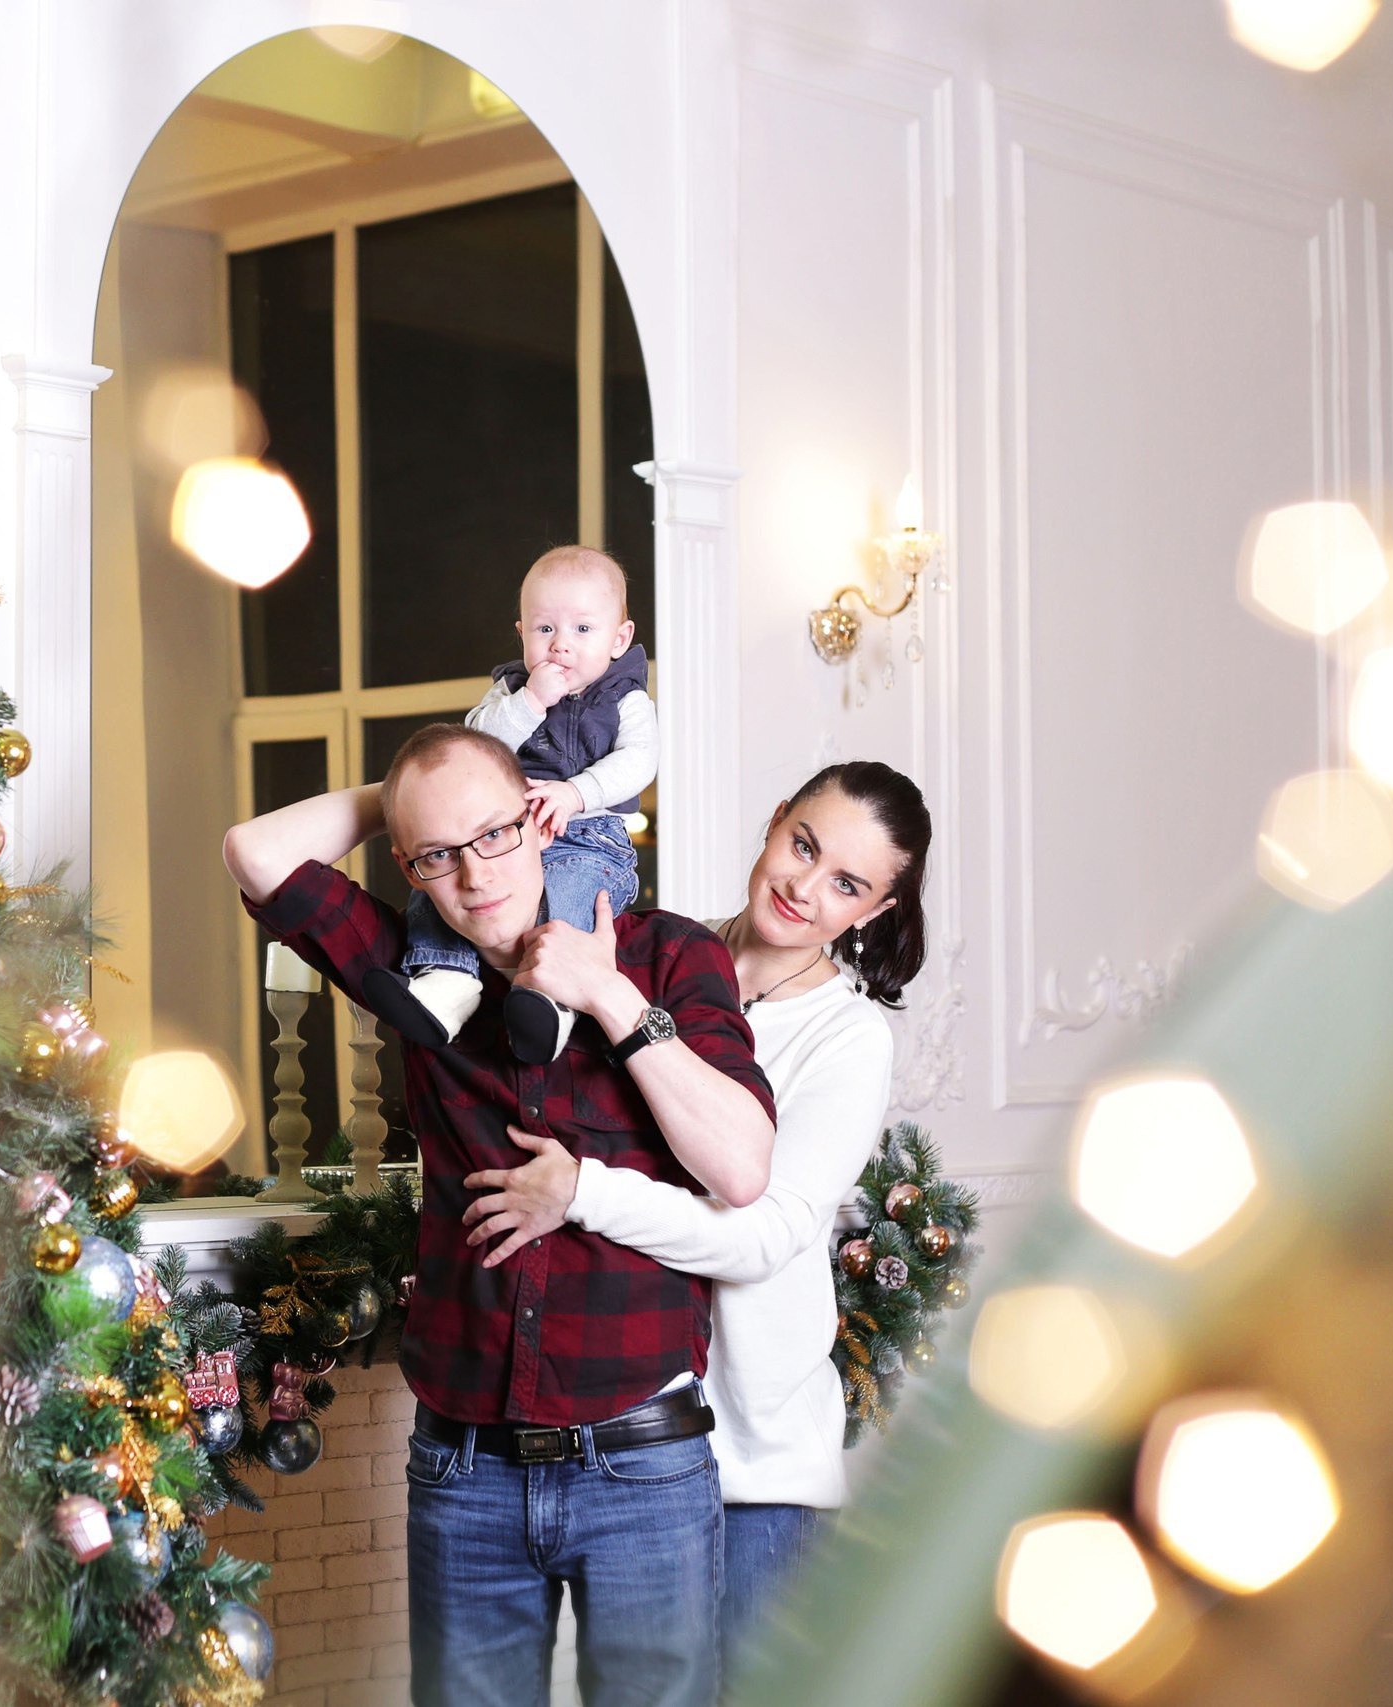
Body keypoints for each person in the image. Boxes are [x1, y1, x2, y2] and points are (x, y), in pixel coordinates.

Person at [221, 725, 776, 1707]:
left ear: (537, 816)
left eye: (492, 834)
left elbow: (738, 1166)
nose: (474, 877)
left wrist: (603, 993)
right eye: (436, 855)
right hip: (464, 1467)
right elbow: (256, 852)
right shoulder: (416, 976)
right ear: (408, 865)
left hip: (641, 1461)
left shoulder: (664, 952)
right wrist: (405, 798)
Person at [457, 760, 931, 1670]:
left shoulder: (848, 1036)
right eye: (804, 844)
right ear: (775, 816)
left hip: (756, 1469)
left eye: (847, 884)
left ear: (870, 911)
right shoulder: (652, 951)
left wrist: (582, 1190)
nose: (803, 885)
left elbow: (758, 1238)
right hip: (625, 1440)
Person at [359, 545, 657, 1065]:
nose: (561, 646)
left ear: (619, 638)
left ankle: (551, 1000)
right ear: (522, 634)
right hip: (502, 831)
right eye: (545, 630)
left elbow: (639, 762)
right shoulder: (511, 690)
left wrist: (576, 792)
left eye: (583, 630)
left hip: (588, 832)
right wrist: (530, 703)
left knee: (573, 890)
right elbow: (477, 744)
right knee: (445, 878)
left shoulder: (625, 699)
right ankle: (444, 985)